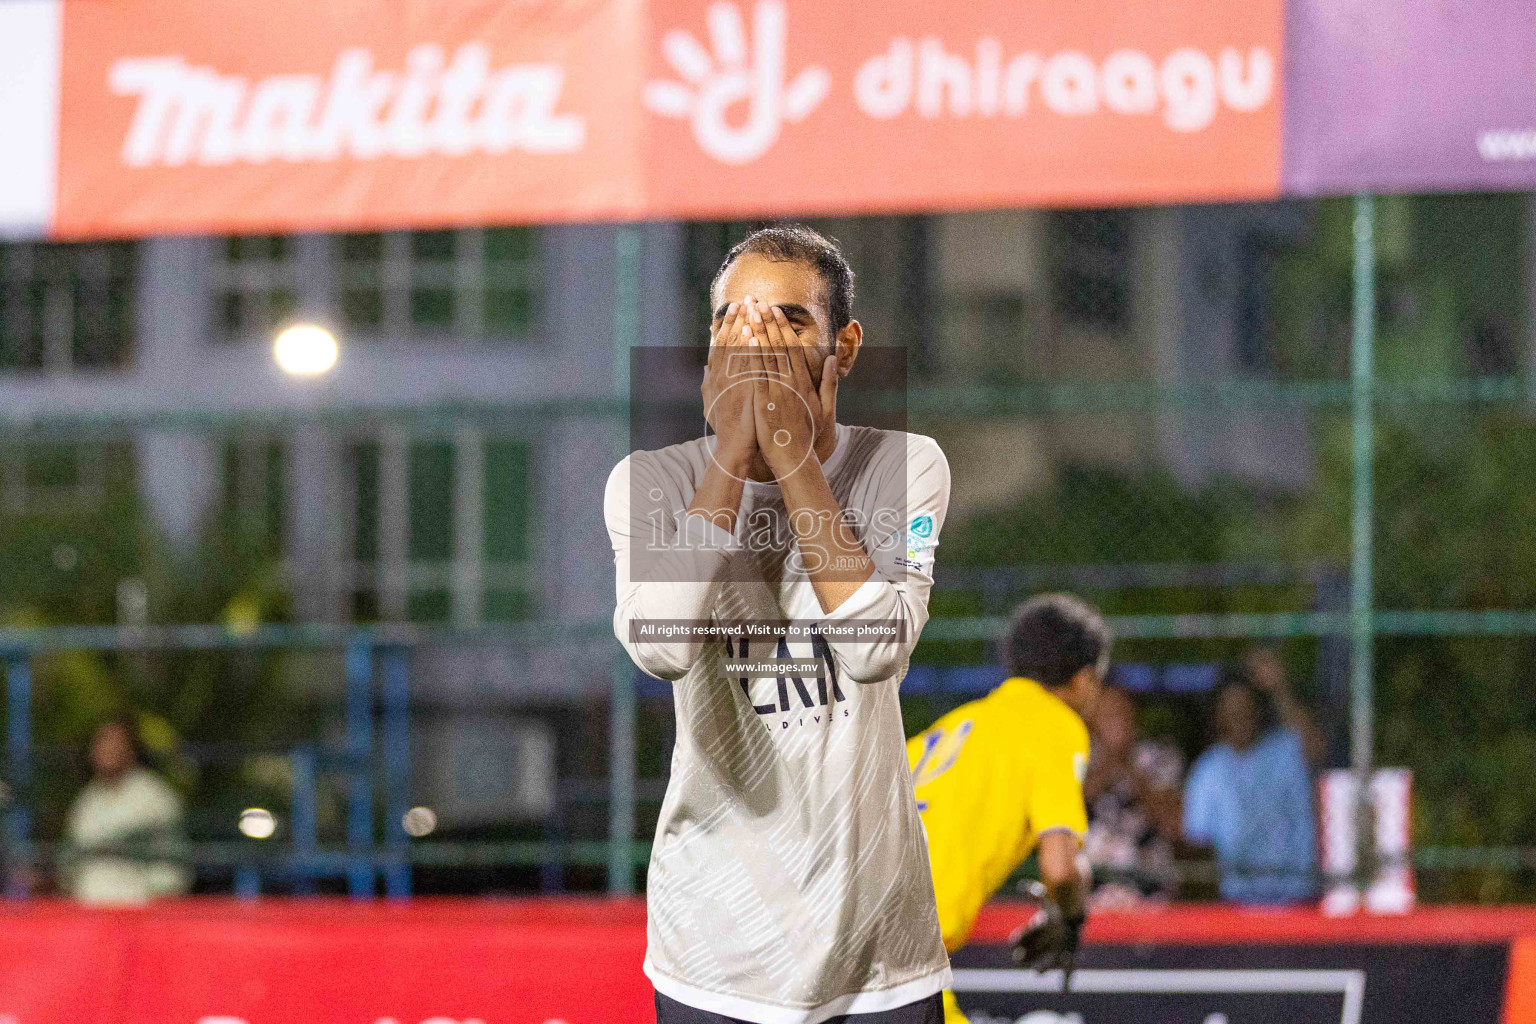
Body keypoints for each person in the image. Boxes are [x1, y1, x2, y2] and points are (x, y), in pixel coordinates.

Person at [606, 224, 952, 1024]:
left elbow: (875, 654)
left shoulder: (907, 466)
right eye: (739, 320)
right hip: (715, 949)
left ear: (846, 345)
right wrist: (733, 454)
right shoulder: (650, 482)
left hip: (878, 953)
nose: (763, 340)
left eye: (791, 320)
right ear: (711, 349)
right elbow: (659, 647)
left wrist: (794, 458)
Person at [908, 594, 1110, 1024]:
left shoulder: (951, 726)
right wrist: (1070, 913)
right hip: (897, 963)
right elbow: (1059, 866)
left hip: (826, 936)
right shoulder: (1055, 723)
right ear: (1085, 679)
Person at [1181, 658, 1318, 905]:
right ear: (1218, 716)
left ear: (1257, 709)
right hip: (1238, 906)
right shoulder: (1208, 769)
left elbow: (1316, 748)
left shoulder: (1285, 749)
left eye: (1244, 706)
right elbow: (1197, 842)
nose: (1238, 716)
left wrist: (1278, 687)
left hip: (1298, 900)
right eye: (1230, 709)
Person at [60, 714, 190, 905]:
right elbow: (70, 863)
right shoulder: (87, 800)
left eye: (115, 742)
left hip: (139, 910)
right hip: (89, 912)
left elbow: (173, 863)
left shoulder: (155, 795)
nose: (107, 749)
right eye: (102, 742)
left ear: (131, 749)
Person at [1081, 685, 1184, 906]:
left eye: (1121, 711)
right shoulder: (1080, 758)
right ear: (1093, 719)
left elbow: (1173, 825)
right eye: (1107, 713)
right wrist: (1111, 762)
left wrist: (1130, 766)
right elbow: (1070, 808)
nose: (1115, 720)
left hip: (1149, 890)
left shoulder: (1161, 756)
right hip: (1094, 893)